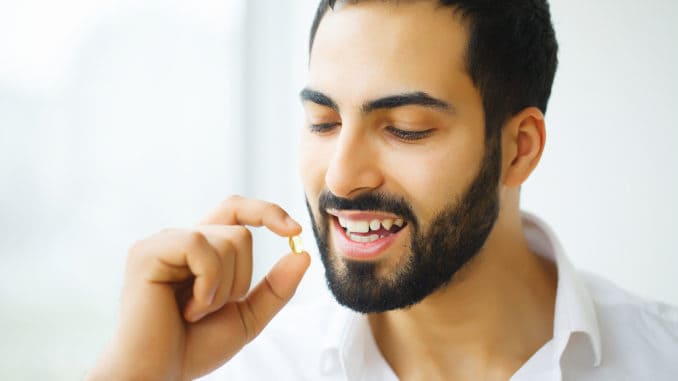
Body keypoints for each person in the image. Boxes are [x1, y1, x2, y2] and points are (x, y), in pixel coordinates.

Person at [87, 1, 678, 380]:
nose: (340, 177)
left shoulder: (661, 359)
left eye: (405, 129)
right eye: (323, 121)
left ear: (519, 149)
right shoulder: (251, 367)